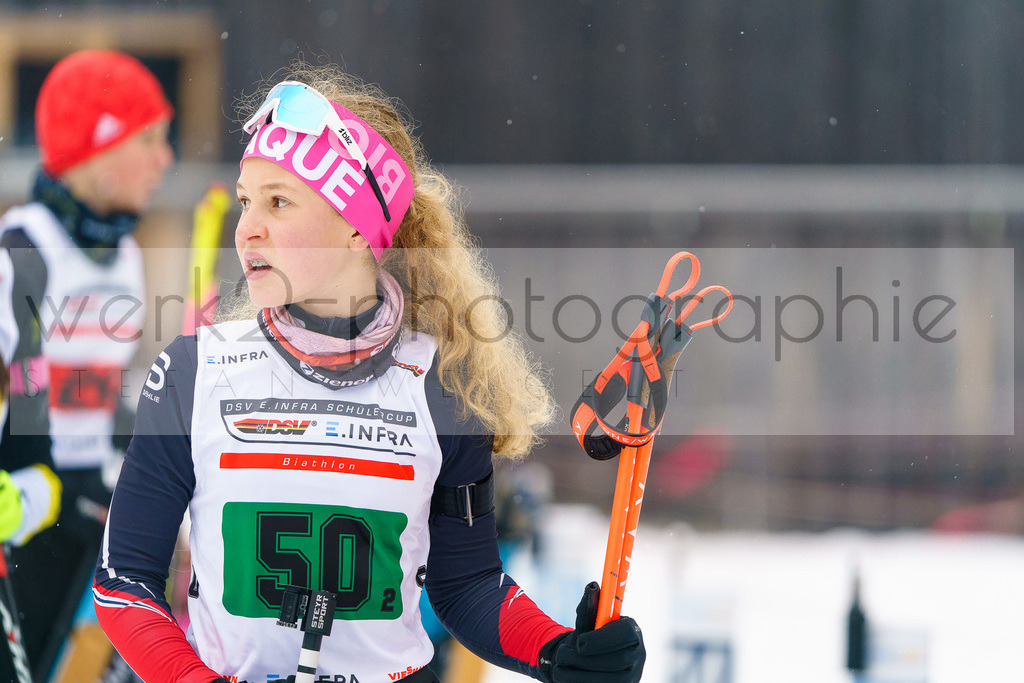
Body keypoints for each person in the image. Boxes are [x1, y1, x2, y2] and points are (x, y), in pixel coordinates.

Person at [93, 63, 646, 683]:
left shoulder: (441, 385)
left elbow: (468, 586)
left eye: (279, 201)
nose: (247, 225)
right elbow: (123, 586)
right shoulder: (196, 373)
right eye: (248, 201)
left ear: (357, 228)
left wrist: (559, 651)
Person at [0, 48, 174, 680]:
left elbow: (99, 401)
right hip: (24, 515)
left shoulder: (124, 253)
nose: (166, 159)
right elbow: (23, 400)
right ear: (99, 146)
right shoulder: (24, 252)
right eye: (150, 139)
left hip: (86, 509)